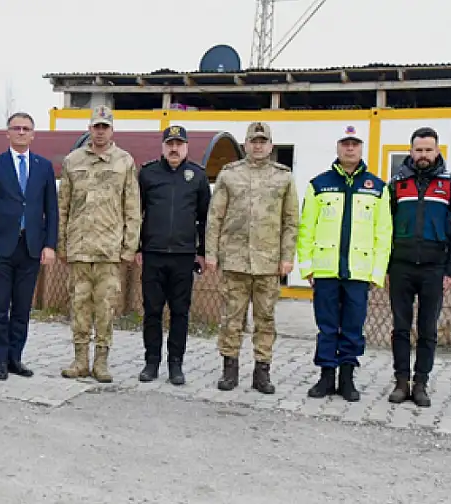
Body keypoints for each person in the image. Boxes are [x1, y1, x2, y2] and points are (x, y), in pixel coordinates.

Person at [297, 125, 392, 402]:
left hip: (358, 272)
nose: (350, 148)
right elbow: (306, 229)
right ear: (338, 147)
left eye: (354, 143)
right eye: (345, 143)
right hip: (325, 270)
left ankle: (347, 379)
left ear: (361, 147)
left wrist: (376, 272)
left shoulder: (377, 188)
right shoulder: (319, 184)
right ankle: (326, 377)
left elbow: (383, 233)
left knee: (352, 327)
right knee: (327, 326)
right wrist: (307, 267)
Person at [204, 122, 298, 394]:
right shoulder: (229, 175)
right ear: (245, 144)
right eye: (253, 141)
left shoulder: (284, 177)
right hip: (234, 261)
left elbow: (291, 220)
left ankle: (262, 372)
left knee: (265, 319)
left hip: (268, 263)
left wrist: (287, 257)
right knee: (231, 318)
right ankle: (229, 370)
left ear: (270, 145)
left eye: (263, 141)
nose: (258, 146)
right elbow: (215, 217)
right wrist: (211, 253)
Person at [57, 105, 141, 383]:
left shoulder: (125, 162)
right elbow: (63, 207)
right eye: (96, 126)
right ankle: (80, 360)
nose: (101, 131)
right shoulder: (72, 161)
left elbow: (132, 207)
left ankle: (101, 362)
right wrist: (61, 244)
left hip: (108, 250)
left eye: (105, 126)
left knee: (106, 307)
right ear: (90, 129)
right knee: (79, 306)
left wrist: (129, 247)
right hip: (80, 249)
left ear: (112, 130)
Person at [386, 127, 451, 407]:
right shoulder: (396, 185)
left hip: (434, 268)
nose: (423, 155)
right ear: (410, 151)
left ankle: (421, 383)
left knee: (428, 329)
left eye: (428, 150)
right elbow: (385, 229)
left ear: (436, 151)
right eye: (418, 150)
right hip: (401, 266)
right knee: (400, 328)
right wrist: (385, 266)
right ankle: (401, 381)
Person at [0, 112, 58, 381]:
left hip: (31, 247)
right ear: (7, 133)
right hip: (0, 248)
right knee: (0, 307)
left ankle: (15, 358)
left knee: (22, 308)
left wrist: (50, 244)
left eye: (26, 129)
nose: (21, 133)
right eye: (16, 128)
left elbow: (51, 209)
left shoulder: (43, 167)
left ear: (33, 134)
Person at [136, 125, 210, 385]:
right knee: (152, 311)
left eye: (179, 144)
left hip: (183, 255)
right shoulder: (147, 174)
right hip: (153, 254)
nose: (174, 148)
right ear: (163, 147)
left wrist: (201, 253)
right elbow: (136, 213)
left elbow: (204, 219)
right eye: (170, 143)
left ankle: (175, 364)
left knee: (180, 312)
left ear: (187, 147)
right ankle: (151, 362)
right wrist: (137, 247)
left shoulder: (198, 177)